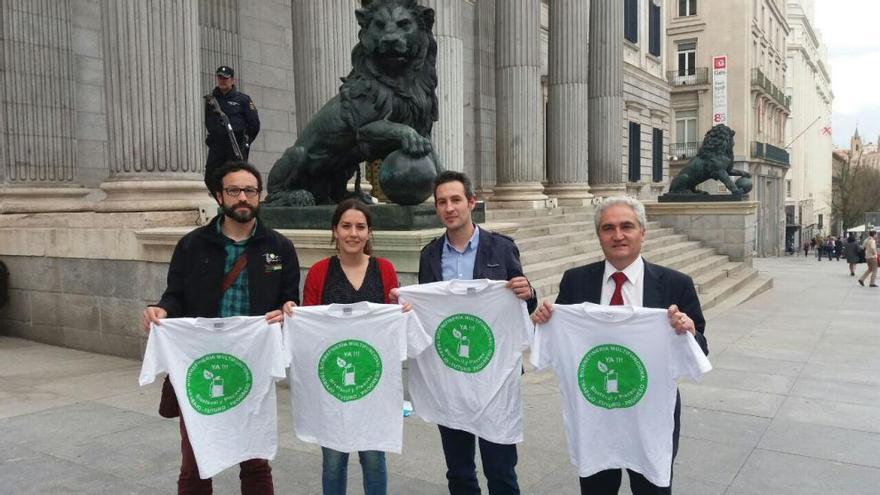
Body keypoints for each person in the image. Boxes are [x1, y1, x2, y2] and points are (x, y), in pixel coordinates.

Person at [141, 161, 299, 494]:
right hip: (202, 366)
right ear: (219, 195)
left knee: (255, 461)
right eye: (234, 190)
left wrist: (286, 312)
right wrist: (161, 310)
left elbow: (288, 299)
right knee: (195, 459)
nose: (242, 197)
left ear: (261, 196)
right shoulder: (192, 245)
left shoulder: (279, 247)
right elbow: (176, 295)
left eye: (250, 191)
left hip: (251, 366)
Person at [532, 197, 707, 495]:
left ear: (643, 232)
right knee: (597, 489)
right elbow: (561, 338)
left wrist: (688, 332)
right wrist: (544, 320)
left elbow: (701, 350)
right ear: (598, 235)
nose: (618, 235)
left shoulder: (676, 284)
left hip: (650, 413)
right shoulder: (575, 281)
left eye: (627, 226)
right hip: (595, 412)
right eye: (608, 228)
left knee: (652, 489)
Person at [392, 170, 537, 494]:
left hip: (493, 379)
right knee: (458, 472)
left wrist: (527, 291)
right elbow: (431, 314)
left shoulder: (501, 248)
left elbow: (523, 304)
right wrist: (407, 305)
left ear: (471, 202)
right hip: (450, 379)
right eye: (442, 202)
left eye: (456, 199)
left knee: (501, 471)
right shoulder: (430, 255)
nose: (449, 207)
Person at [301, 199, 403, 495]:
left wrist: (403, 313)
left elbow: (393, 322)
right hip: (332, 383)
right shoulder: (320, 272)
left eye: (360, 227)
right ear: (334, 230)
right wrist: (294, 315)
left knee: (374, 459)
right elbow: (309, 326)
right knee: (333, 461)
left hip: (373, 381)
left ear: (370, 232)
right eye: (346, 226)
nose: (353, 233)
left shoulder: (384, 270)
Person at [205, 65, 261, 189]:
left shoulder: (243, 100)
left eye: (225, 78)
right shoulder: (211, 100)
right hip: (217, 146)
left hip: (235, 146)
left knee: (235, 179)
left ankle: (231, 206)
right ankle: (220, 203)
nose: (222, 81)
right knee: (210, 177)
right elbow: (208, 122)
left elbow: (254, 124)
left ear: (232, 80)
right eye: (220, 78)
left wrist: (246, 142)